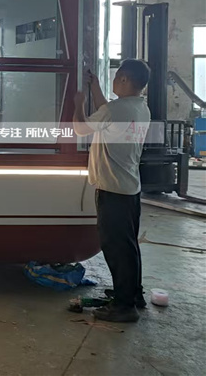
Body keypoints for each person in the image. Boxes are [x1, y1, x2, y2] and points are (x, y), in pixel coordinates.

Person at [73, 60, 151, 323]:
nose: (115, 81)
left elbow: (81, 128)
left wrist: (78, 104)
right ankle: (132, 294)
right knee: (128, 246)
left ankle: (123, 307)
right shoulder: (140, 108)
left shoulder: (116, 110)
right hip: (130, 188)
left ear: (125, 80)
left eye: (117, 77)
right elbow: (107, 112)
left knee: (117, 248)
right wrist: (95, 86)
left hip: (113, 190)